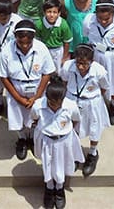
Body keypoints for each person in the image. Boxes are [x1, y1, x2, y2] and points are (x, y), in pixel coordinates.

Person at [0, 19, 56, 160]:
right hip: (16, 88)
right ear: (15, 37)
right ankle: (22, 139)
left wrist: (37, 97)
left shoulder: (41, 49)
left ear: (33, 39)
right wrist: (18, 98)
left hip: (37, 88)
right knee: (18, 118)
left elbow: (47, 73)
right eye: (20, 42)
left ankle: (34, 139)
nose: (24, 46)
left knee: (36, 117)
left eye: (28, 43)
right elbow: (3, 77)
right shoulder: (7, 51)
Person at [30, 75, 83, 209]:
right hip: (46, 139)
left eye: (58, 102)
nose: (54, 106)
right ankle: (49, 188)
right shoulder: (38, 106)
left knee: (61, 164)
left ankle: (59, 189)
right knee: (47, 164)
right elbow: (34, 118)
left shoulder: (70, 106)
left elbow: (75, 120)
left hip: (63, 140)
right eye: (51, 102)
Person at [59, 44, 110, 178]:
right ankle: (75, 155)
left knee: (94, 128)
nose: (80, 67)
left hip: (91, 101)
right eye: (78, 63)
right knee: (72, 129)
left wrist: (92, 97)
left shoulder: (99, 71)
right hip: (72, 100)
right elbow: (64, 81)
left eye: (85, 64)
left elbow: (104, 87)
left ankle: (93, 153)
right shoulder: (67, 67)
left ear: (92, 62)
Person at [35, 0, 73, 70]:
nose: (52, 15)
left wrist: (64, 57)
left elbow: (67, 42)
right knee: (45, 69)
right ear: (44, 12)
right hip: (45, 49)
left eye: (55, 12)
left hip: (58, 50)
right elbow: (37, 41)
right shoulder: (39, 24)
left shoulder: (63, 24)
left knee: (60, 70)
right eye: (49, 12)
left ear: (59, 13)